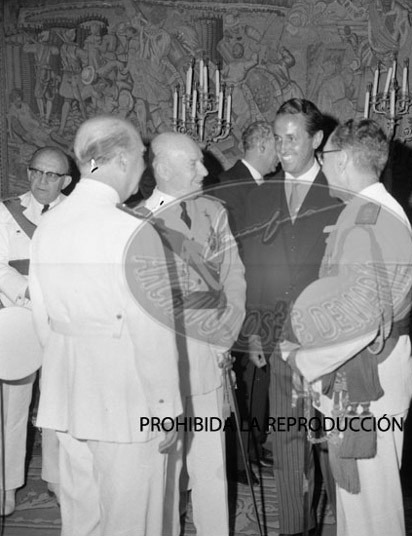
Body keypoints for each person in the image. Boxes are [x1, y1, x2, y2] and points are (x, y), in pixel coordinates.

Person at [29, 116, 182, 536]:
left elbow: (42, 317)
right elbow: (153, 334)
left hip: (68, 391)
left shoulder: (50, 224)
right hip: (126, 399)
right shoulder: (131, 230)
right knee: (133, 521)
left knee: (81, 519)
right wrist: (166, 408)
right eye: (141, 157)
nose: (143, 168)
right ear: (120, 159)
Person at [281, 119, 412, 536]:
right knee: (359, 504)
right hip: (368, 370)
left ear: (341, 159)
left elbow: (360, 320)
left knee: (372, 510)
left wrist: (305, 360)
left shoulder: (369, 220)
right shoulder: (372, 211)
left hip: (367, 377)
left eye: (324, 157)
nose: (322, 165)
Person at [241, 98, 341, 536]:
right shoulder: (260, 196)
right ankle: (296, 529)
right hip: (279, 337)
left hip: (333, 340)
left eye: (292, 138)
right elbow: (252, 268)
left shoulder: (342, 191)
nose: (282, 148)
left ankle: (348, 523)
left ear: (316, 139)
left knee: (339, 442)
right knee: (287, 439)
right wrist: (255, 331)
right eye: (277, 139)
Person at [145, 132, 246, 536]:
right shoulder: (132, 219)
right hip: (158, 365)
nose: (205, 171)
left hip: (208, 355)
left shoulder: (214, 213)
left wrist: (226, 336)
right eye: (193, 163)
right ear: (163, 168)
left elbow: (234, 277)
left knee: (211, 464)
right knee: (165, 466)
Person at [0, 147, 70, 515]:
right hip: (19, 316)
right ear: (28, 173)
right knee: (12, 407)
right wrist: (31, 293)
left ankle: (57, 478)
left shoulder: (77, 215)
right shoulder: (5, 211)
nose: (42, 180)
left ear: (66, 180)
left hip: (61, 321)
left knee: (60, 404)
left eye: (51, 175)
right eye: (36, 172)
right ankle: (6, 484)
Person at [213, 120, 278, 485]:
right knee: (241, 384)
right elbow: (235, 259)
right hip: (240, 304)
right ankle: (237, 462)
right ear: (263, 146)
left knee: (257, 382)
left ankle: (251, 451)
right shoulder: (229, 186)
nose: (281, 157)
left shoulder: (260, 187)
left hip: (262, 301)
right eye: (278, 147)